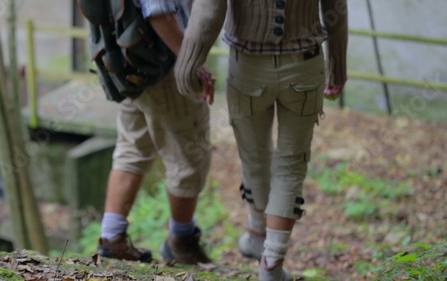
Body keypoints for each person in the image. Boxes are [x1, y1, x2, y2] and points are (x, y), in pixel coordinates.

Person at [174, 0, 348, 280]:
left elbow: (209, 8)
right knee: (291, 165)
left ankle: (257, 232)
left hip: (247, 68)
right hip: (304, 67)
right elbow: (335, 6)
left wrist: (189, 64)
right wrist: (337, 67)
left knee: (254, 157)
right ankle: (270, 264)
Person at [96, 0, 215, 265]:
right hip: (165, 65)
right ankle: (182, 243)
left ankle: (112, 239)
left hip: (131, 62)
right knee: (189, 157)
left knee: (133, 148)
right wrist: (191, 62)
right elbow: (158, 11)